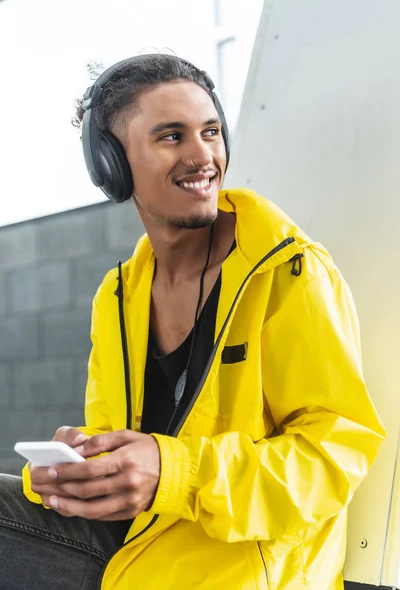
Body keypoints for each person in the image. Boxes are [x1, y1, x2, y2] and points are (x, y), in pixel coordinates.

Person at [0, 53, 385, 590]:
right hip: (144, 550)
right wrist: (80, 469)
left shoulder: (291, 273)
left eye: (210, 131)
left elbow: (331, 459)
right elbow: (118, 439)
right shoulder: (117, 296)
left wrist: (172, 472)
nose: (202, 155)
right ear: (112, 164)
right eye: (171, 136)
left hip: (242, 572)